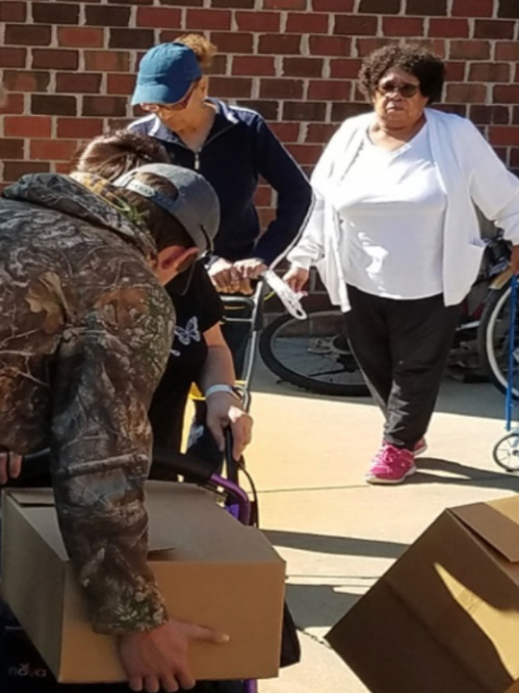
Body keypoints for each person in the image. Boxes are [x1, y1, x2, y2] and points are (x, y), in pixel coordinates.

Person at [0, 159, 226, 692]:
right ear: (178, 256)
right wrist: (138, 621)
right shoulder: (122, 283)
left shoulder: (14, 213)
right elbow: (98, 463)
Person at [282, 43, 519, 484]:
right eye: (386, 87)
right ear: (370, 90)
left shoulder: (453, 134)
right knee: (375, 363)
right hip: (359, 275)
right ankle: (406, 430)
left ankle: (398, 445)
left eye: (408, 89)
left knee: (416, 367)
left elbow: (497, 190)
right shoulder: (349, 136)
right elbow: (318, 204)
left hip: (431, 279)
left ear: (427, 96)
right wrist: (302, 259)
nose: (395, 97)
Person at [129, 34, 313, 375]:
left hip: (235, 288)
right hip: (166, 281)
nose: (164, 115)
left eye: (173, 103)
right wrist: (206, 261)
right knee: (159, 398)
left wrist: (262, 257)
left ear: (202, 87)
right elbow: (135, 218)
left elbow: (299, 194)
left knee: (221, 393)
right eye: (152, 105)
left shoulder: (246, 128)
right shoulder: (139, 138)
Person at [72, 130, 252, 465]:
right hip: (38, 481)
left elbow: (212, 344)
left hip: (155, 471)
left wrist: (220, 394)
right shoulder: (40, 272)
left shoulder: (186, 273)